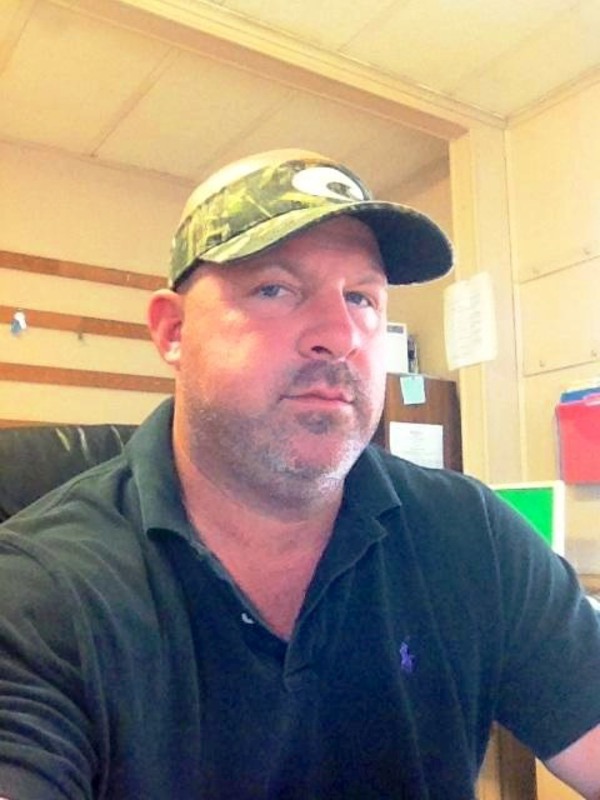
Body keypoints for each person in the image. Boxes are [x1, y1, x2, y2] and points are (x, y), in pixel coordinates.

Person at [0, 148, 599, 800]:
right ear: (172, 331)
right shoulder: (38, 590)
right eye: (275, 289)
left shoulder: (472, 537)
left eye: (362, 298)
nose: (339, 334)